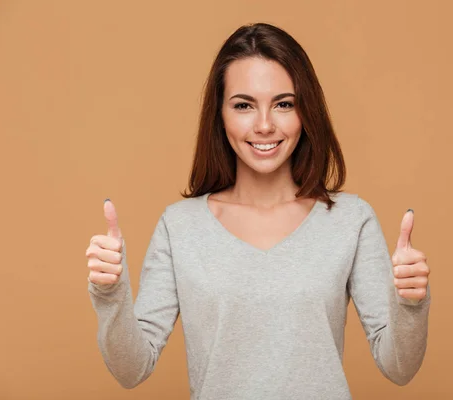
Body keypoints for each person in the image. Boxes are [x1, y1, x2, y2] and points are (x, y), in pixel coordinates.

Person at [85, 22, 431, 399]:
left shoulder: (351, 220)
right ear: (220, 114)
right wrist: (110, 294)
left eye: (284, 104)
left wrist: (410, 303)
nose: (264, 125)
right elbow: (132, 369)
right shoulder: (180, 227)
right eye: (244, 105)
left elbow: (399, 367)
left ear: (305, 112)